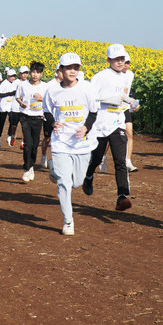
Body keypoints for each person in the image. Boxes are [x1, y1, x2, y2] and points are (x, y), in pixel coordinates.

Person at [44, 53, 97, 235]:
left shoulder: (87, 89)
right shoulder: (52, 90)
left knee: (77, 182)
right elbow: (47, 110)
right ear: (61, 70)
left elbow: (93, 112)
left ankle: (54, 169)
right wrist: (52, 123)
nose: (73, 71)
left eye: (76, 67)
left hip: (81, 143)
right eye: (69, 68)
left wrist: (86, 128)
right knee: (64, 183)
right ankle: (68, 221)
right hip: (60, 142)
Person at [82, 44, 135, 212]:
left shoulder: (125, 77)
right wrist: (111, 100)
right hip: (100, 123)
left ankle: (122, 196)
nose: (120, 62)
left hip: (117, 123)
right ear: (108, 60)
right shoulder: (100, 77)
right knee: (97, 158)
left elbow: (123, 96)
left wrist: (131, 102)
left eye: (122, 59)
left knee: (120, 160)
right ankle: (88, 175)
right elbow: (92, 99)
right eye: (116, 59)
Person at [16, 61, 48, 182]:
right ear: (30, 72)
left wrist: (42, 98)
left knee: (35, 145)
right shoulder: (23, 85)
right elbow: (17, 97)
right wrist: (21, 103)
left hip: (38, 118)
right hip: (25, 116)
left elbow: (50, 101)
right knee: (27, 144)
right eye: (33, 72)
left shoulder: (45, 87)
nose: (35, 75)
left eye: (38, 72)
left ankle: (31, 166)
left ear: (41, 74)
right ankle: (26, 168)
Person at [0, 68, 18, 148]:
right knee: (1, 123)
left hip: (11, 106)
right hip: (3, 106)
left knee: (12, 121)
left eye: (14, 76)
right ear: (7, 76)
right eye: (11, 76)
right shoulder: (4, 83)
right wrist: (10, 93)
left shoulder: (15, 83)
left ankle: (9, 136)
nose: (13, 78)